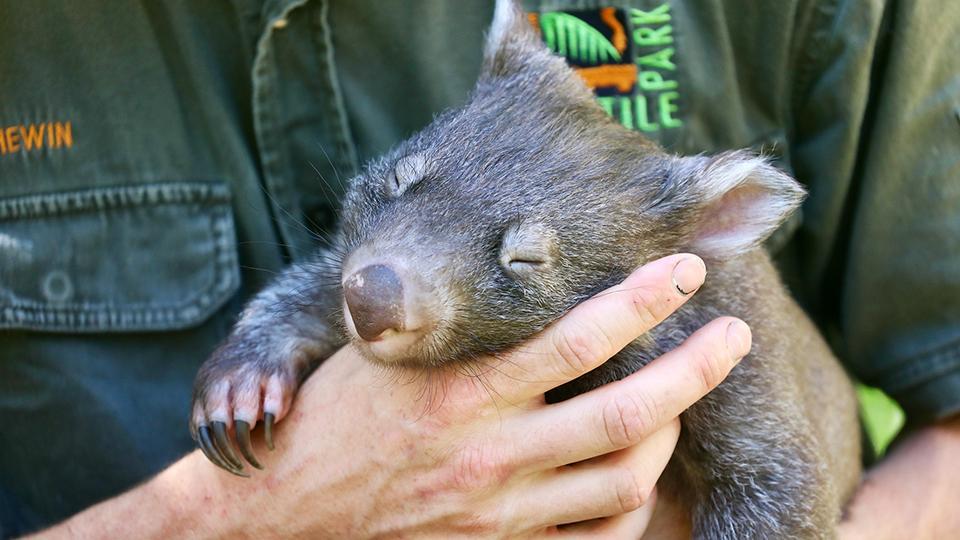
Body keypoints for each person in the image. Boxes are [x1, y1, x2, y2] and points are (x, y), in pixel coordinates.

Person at [0, 1, 957, 538]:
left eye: (524, 259)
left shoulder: (699, 285)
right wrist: (243, 513)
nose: (376, 278)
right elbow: (321, 293)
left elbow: (779, 480)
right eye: (402, 192)